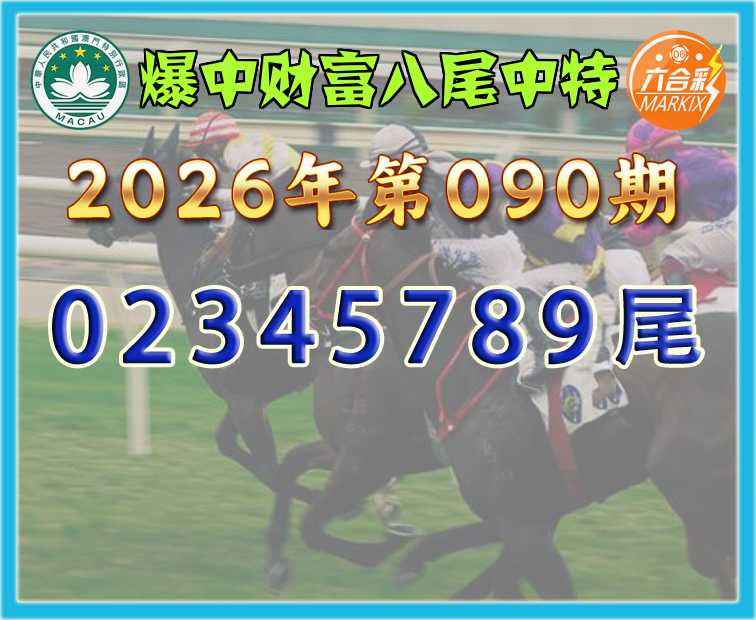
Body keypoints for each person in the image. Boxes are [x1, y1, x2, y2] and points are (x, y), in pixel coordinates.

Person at [620, 119, 737, 284]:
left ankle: (681, 301)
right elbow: (667, 223)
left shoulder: (676, 172)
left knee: (672, 259)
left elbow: (647, 230)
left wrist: (608, 237)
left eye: (641, 159)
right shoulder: (693, 160)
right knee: (709, 269)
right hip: (735, 224)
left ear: (656, 153)